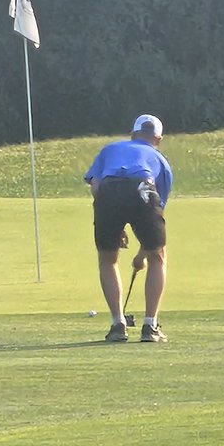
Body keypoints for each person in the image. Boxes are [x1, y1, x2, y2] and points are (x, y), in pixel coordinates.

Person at [83, 114, 173, 343]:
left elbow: (96, 185)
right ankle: (150, 326)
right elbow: (156, 211)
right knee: (158, 256)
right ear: (158, 139)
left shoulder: (110, 149)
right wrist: (143, 254)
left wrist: (113, 220)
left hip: (109, 190)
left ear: (133, 134)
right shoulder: (160, 160)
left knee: (107, 259)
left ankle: (117, 324)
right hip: (143, 185)